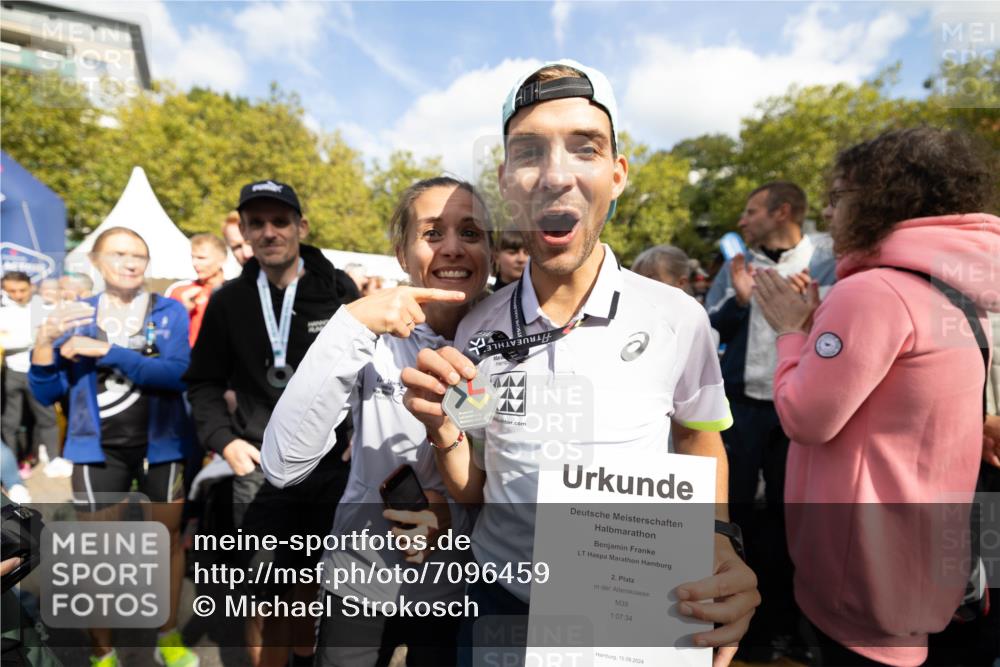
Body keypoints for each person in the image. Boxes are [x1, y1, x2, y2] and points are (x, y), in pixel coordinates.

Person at [401, 60, 759, 667]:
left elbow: (700, 437)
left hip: (632, 613)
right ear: (507, 179)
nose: (555, 176)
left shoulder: (679, 318)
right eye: (530, 153)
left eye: (585, 148)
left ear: (617, 175)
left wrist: (720, 537)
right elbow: (474, 487)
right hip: (499, 604)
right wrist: (443, 434)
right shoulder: (476, 329)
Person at [752, 127, 999, 666]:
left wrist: (792, 331)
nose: (831, 214)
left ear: (880, 200)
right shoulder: (952, 290)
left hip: (859, 575)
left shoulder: (872, 291)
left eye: (838, 198)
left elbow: (804, 417)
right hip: (920, 566)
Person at [262, 176, 491, 666]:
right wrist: (351, 325)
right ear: (402, 252)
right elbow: (282, 465)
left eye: (471, 233)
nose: (452, 248)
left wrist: (455, 511)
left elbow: (522, 479)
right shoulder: (368, 332)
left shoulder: (512, 339)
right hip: (360, 577)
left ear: (490, 250)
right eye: (432, 233)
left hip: (464, 589)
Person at [185, 180, 359, 667]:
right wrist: (224, 442)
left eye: (279, 221)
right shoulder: (228, 302)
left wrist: (360, 431)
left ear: (300, 227)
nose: (268, 232)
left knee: (315, 591)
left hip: (329, 467)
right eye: (256, 223)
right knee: (263, 596)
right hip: (259, 466)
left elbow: (371, 366)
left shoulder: (337, 288)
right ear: (242, 231)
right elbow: (202, 382)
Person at [28, 227, 197, 667]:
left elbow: (178, 374)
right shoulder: (74, 314)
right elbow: (46, 394)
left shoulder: (169, 311)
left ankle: (168, 636)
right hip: (98, 451)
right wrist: (44, 344)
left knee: (167, 542)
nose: (131, 262)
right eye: (119, 253)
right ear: (96, 263)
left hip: (162, 446)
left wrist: (109, 351)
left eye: (139, 255)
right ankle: (103, 653)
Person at [703, 181, 835, 662]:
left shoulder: (827, 262)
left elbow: (842, 338)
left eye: (752, 210)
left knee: (788, 517)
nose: (741, 220)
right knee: (729, 516)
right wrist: (737, 301)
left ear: (782, 212)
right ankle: (730, 622)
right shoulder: (738, 266)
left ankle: (783, 624)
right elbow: (709, 327)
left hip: (792, 411)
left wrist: (815, 315)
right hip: (739, 408)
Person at [0, 272, 58, 479]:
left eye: (21, 290)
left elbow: (50, 335)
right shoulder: (3, 309)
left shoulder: (43, 307)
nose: (17, 295)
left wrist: (13, 337)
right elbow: (7, 342)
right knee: (10, 423)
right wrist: (29, 337)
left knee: (46, 417)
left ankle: (53, 460)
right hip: (11, 373)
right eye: (11, 291)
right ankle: (11, 468)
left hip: (38, 372)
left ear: (31, 286)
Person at [166, 233, 228, 346]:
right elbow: (164, 331)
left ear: (222, 260)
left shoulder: (233, 293)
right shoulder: (179, 291)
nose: (195, 263)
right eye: (193, 257)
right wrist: (183, 310)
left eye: (201, 258)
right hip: (187, 359)